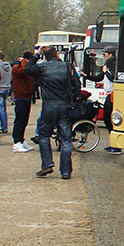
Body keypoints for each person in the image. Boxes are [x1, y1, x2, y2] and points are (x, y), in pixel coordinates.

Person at [25, 45, 77, 180]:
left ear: (44, 57)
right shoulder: (68, 67)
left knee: (43, 135)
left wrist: (36, 54)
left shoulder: (42, 68)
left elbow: (28, 69)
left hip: (49, 105)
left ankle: (47, 163)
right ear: (57, 55)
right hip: (64, 105)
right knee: (66, 139)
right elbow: (77, 85)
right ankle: (65, 171)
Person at [10, 51, 36, 153]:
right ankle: (17, 142)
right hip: (21, 96)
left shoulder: (21, 67)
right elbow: (24, 71)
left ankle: (21, 140)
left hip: (26, 96)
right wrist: (24, 62)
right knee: (20, 121)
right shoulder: (18, 69)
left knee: (23, 120)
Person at [101, 48, 122, 154]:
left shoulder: (113, 63)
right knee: (107, 119)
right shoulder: (108, 63)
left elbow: (113, 77)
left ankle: (116, 145)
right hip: (109, 94)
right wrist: (86, 76)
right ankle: (113, 143)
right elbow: (100, 77)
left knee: (110, 119)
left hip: (113, 94)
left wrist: (105, 72)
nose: (103, 56)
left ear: (110, 54)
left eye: (104, 54)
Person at [0, 51, 12, 134]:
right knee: (4, 108)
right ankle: (5, 126)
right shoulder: (9, 66)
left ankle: (4, 127)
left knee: (1, 109)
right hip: (7, 88)